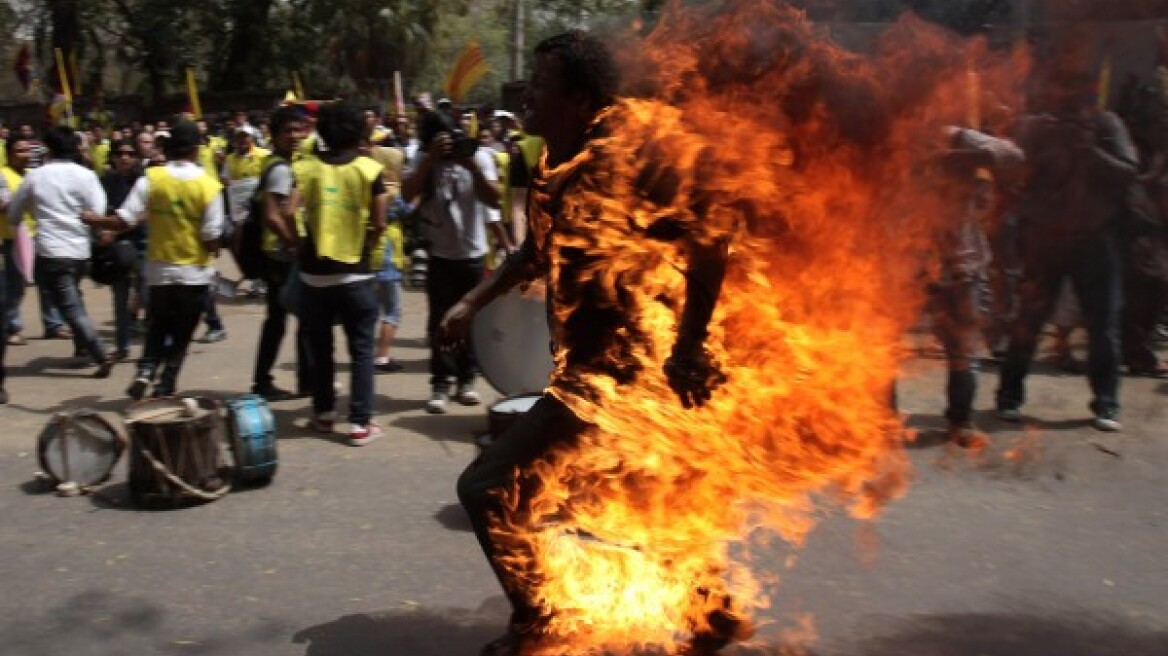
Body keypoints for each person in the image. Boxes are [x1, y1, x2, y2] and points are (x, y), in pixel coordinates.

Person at [444, 32, 744, 656]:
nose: (528, 95)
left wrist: (687, 349)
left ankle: (548, 619)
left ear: (581, 100)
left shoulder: (627, 161)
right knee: (648, 501)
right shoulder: (556, 162)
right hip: (587, 374)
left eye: (543, 84)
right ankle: (708, 616)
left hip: (624, 380)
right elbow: (535, 252)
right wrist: (473, 302)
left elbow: (709, 244)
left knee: (488, 487)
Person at [995, 68, 1137, 432]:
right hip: (1045, 239)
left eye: (1076, 93)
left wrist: (1090, 152)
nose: (1069, 102)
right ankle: (1009, 398)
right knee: (1028, 321)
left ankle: (1106, 403)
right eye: (1061, 92)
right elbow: (1011, 172)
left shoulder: (1107, 126)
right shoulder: (1037, 129)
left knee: (1102, 325)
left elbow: (1127, 172)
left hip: (1095, 238)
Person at [83, 121, 224, 399]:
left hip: (159, 269)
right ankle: (166, 383)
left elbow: (124, 218)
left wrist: (94, 220)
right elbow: (211, 237)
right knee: (182, 333)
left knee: (157, 325)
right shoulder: (210, 186)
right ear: (197, 150)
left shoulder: (151, 179)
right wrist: (216, 246)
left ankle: (146, 371)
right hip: (193, 272)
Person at [402, 106, 513, 414]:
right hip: (439, 255)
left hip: (474, 255)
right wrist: (428, 161)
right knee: (439, 321)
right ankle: (440, 384)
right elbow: (406, 195)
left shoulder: (478, 155)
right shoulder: (422, 158)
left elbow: (494, 199)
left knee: (471, 321)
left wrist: (472, 166)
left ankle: (468, 379)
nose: (446, 147)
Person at [290, 102, 388, 446]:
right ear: (358, 131)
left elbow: (290, 212)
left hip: (313, 275)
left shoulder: (307, 169)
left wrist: (300, 244)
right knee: (361, 350)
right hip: (355, 274)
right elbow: (380, 222)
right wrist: (367, 241)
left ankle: (323, 414)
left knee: (321, 347)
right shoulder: (368, 170)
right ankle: (360, 423)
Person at [926, 127, 1023, 448]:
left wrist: (957, 158)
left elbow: (1013, 157)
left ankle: (960, 421)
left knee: (963, 348)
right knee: (880, 347)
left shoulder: (957, 137)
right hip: (906, 263)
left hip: (960, 265)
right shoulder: (890, 138)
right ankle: (882, 421)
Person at [6, 125, 114, 378]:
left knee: (70, 307)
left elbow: (13, 214)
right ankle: (82, 346)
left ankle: (99, 351)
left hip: (52, 250)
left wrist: (34, 212)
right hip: (80, 250)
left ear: (47, 149)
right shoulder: (86, 175)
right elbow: (97, 209)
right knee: (74, 297)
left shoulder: (36, 176)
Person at [251, 106, 312, 400]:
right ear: (274, 136)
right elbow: (273, 217)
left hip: (281, 254)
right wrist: (296, 245)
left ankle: (293, 379)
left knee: (284, 319)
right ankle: (269, 381)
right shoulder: (280, 170)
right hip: (281, 256)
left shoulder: (286, 165)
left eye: (299, 129)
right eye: (287, 130)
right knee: (289, 319)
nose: (295, 135)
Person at [99, 139, 145, 360]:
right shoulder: (105, 181)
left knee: (148, 295)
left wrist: (116, 228)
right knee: (119, 296)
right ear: (113, 157)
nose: (124, 157)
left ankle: (159, 345)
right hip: (117, 248)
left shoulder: (144, 181)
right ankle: (122, 345)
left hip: (144, 243)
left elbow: (143, 214)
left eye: (129, 153)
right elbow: (99, 209)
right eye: (120, 153)